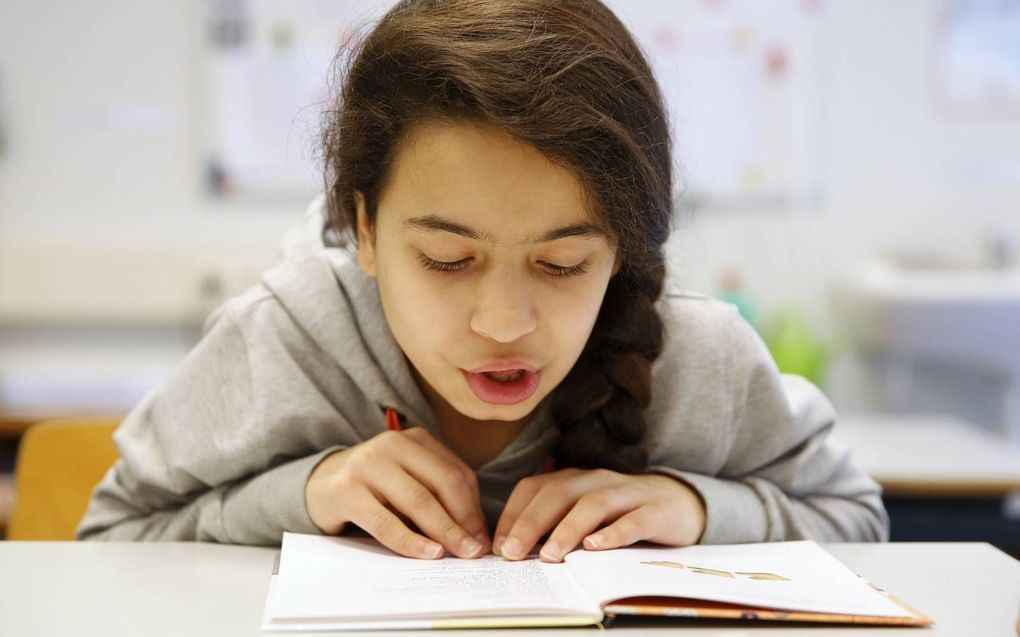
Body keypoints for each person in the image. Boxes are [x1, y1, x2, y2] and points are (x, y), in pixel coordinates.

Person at [77, 0, 888, 561]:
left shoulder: (696, 356)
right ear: (363, 228)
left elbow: (861, 519)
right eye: (447, 261)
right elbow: (106, 541)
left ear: (624, 251)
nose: (504, 323)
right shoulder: (284, 340)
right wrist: (302, 492)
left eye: (564, 263)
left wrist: (702, 509)